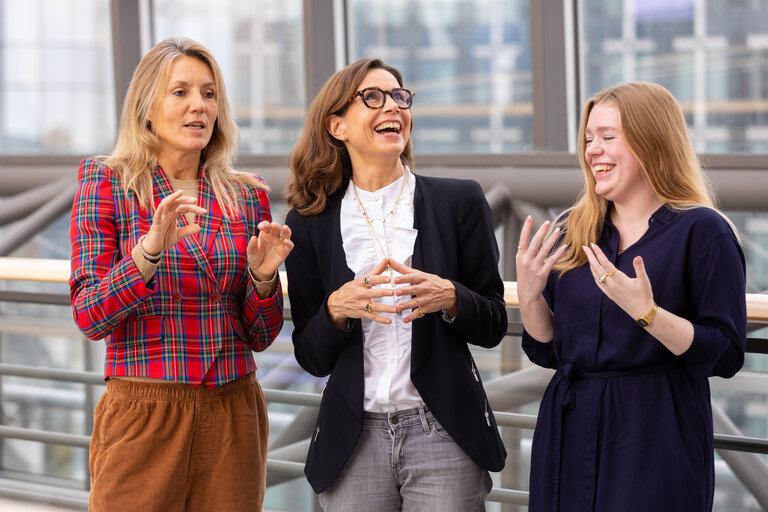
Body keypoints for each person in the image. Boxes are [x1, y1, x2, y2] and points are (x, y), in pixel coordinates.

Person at [69, 37, 292, 512]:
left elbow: (260, 334)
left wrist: (263, 279)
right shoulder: (106, 181)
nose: (199, 106)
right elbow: (90, 316)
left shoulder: (246, 194)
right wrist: (148, 251)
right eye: (181, 92)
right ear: (146, 107)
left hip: (234, 410)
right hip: (144, 410)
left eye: (209, 94)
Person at [284, 58, 507, 510]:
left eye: (400, 97)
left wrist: (451, 298)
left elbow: (494, 323)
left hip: (442, 431)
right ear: (337, 125)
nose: (393, 107)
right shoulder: (310, 223)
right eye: (373, 97)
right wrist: (336, 310)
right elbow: (310, 356)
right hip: (353, 438)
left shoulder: (459, 201)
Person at [516, 81, 747, 511]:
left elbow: (726, 353)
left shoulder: (703, 231)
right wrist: (530, 297)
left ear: (651, 141)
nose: (592, 151)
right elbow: (547, 351)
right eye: (588, 139)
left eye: (608, 137)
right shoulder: (572, 229)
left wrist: (648, 314)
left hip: (655, 429)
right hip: (569, 423)